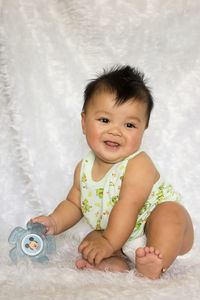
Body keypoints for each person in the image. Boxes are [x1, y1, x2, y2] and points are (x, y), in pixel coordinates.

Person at [31, 65, 194, 279]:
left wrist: (108, 242)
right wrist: (54, 221)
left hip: (155, 228)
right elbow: (73, 204)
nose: (115, 131)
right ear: (84, 122)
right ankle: (117, 260)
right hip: (119, 236)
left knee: (170, 215)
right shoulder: (83, 169)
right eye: (105, 120)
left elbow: (128, 206)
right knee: (90, 240)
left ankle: (156, 262)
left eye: (129, 125)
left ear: (143, 129)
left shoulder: (139, 164)